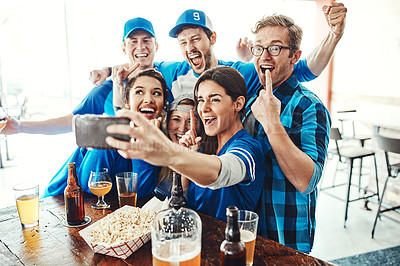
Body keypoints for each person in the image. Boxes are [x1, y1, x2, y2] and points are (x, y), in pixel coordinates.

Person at [105, 66, 267, 228]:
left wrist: (167, 152)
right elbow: (184, 202)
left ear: (238, 104)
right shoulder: (203, 148)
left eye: (215, 99)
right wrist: (185, 161)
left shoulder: (248, 148)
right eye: (201, 100)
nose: (204, 108)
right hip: (195, 243)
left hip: (229, 247)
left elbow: (222, 171)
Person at [91, 3, 347, 103]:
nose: (189, 47)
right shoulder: (173, 70)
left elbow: (303, 70)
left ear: (212, 38)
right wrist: (108, 70)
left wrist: (333, 35)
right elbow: (142, 63)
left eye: (195, 39)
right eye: (182, 42)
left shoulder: (237, 72)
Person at [245, 14, 331, 253]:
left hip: (286, 235)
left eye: (274, 48)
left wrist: (272, 122)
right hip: (250, 230)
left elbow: (308, 180)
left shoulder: (309, 105)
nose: (264, 56)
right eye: (259, 48)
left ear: (295, 56)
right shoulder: (253, 101)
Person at [2, 17, 159, 135]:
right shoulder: (105, 91)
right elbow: (70, 122)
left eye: (146, 40)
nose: (141, 47)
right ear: (124, 48)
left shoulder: (171, 72)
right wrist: (20, 127)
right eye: (133, 41)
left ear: (156, 46)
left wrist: (108, 69)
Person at [42, 68, 169, 197]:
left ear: (164, 104)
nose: (149, 99)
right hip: (58, 202)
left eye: (157, 93)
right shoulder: (110, 134)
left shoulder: (160, 137)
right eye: (139, 92)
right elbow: (92, 188)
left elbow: (141, 192)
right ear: (128, 102)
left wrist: (144, 144)